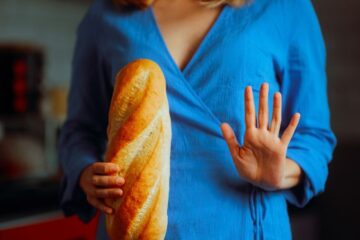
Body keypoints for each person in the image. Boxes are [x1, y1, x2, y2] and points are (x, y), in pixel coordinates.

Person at [58, 0, 337, 239]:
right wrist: (85, 173)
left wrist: (280, 173)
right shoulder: (106, 14)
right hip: (131, 229)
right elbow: (80, 130)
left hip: (244, 229)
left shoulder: (285, 7)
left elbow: (314, 137)